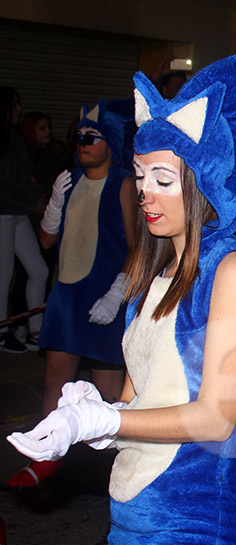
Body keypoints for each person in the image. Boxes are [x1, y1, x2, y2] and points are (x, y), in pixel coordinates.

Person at [7, 55, 236, 545]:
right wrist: (97, 417)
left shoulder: (233, 270)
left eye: (164, 177)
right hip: (136, 506)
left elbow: (218, 417)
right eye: (142, 173)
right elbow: (142, 397)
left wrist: (101, 421)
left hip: (199, 517)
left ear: (201, 181)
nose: (146, 190)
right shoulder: (155, 271)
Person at [5, 99, 135, 487]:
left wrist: (117, 293)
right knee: (55, 384)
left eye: (91, 137)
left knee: (110, 395)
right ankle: (45, 461)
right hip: (66, 299)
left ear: (109, 143)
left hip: (105, 301)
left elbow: (140, 247)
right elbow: (46, 241)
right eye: (78, 137)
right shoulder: (70, 180)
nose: (82, 143)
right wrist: (54, 205)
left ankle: (119, 471)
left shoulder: (123, 184)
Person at [0, 87, 48, 353]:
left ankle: (35, 330)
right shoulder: (5, 139)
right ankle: (3, 331)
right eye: (15, 105)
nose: (19, 109)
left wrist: (35, 194)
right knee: (4, 275)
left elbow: (19, 179)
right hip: (5, 213)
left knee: (39, 270)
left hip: (17, 213)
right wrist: (33, 201)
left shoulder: (14, 138)